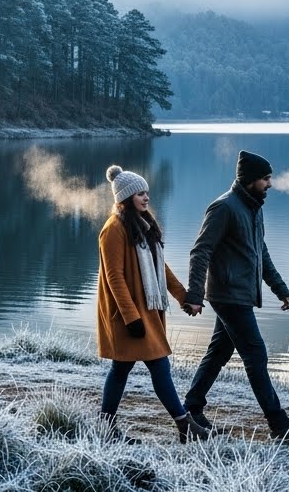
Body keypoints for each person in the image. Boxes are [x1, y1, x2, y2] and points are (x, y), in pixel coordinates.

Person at [181, 150, 289, 443]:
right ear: (251, 179)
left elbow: (260, 253)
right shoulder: (223, 208)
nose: (270, 183)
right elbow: (200, 250)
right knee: (256, 354)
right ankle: (279, 424)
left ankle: (191, 409)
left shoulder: (254, 208)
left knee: (219, 352)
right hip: (228, 295)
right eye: (266, 178)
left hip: (240, 294)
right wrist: (194, 294)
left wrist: (280, 288)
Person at [96, 164, 209, 444]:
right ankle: (184, 425)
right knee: (157, 365)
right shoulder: (113, 229)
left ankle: (105, 426)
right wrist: (131, 318)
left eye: (147, 193)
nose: (146, 198)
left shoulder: (142, 224)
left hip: (146, 310)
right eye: (139, 194)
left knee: (122, 369)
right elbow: (114, 277)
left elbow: (161, 267)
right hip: (128, 314)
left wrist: (184, 297)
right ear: (125, 198)